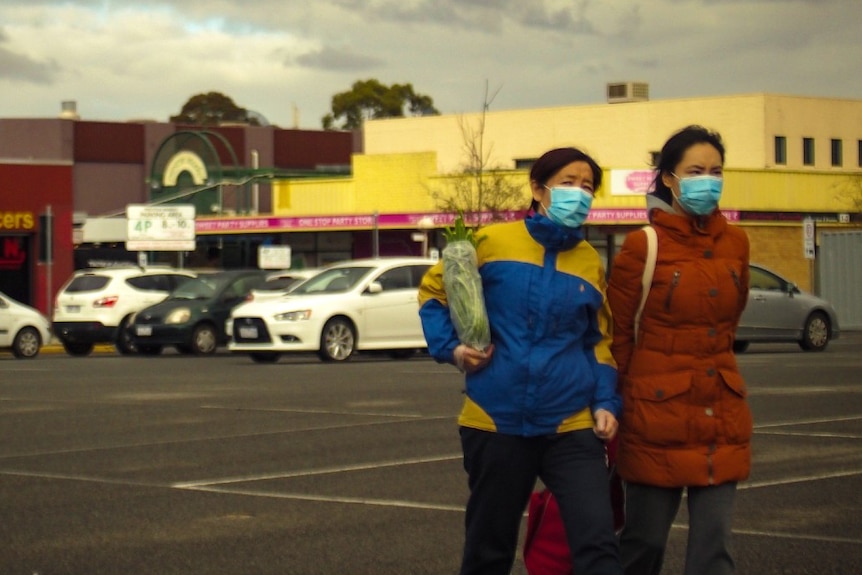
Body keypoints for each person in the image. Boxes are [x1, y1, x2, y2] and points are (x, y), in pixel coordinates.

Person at [418, 147, 623, 575]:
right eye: (568, 183)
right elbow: (434, 294)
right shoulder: (491, 241)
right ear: (537, 187)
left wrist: (606, 402)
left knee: (598, 543)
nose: (579, 194)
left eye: (588, 187)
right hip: (495, 421)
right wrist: (453, 350)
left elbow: (599, 342)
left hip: (571, 424)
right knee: (488, 549)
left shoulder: (590, 264)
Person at [607, 125, 752, 575]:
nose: (707, 180)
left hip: (720, 415)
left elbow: (728, 323)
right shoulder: (642, 246)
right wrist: (618, 403)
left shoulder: (737, 242)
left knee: (714, 551)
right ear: (669, 178)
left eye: (716, 171)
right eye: (695, 171)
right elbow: (619, 337)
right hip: (656, 419)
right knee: (643, 545)